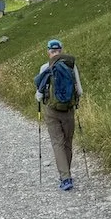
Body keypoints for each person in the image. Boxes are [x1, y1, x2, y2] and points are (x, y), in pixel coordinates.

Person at [34, 38, 84, 191]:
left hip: (51, 111)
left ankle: (65, 177)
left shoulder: (45, 67)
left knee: (57, 143)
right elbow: (80, 91)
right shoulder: (71, 65)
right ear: (61, 50)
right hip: (68, 110)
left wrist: (40, 99)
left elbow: (39, 94)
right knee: (67, 143)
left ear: (49, 52)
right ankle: (66, 174)